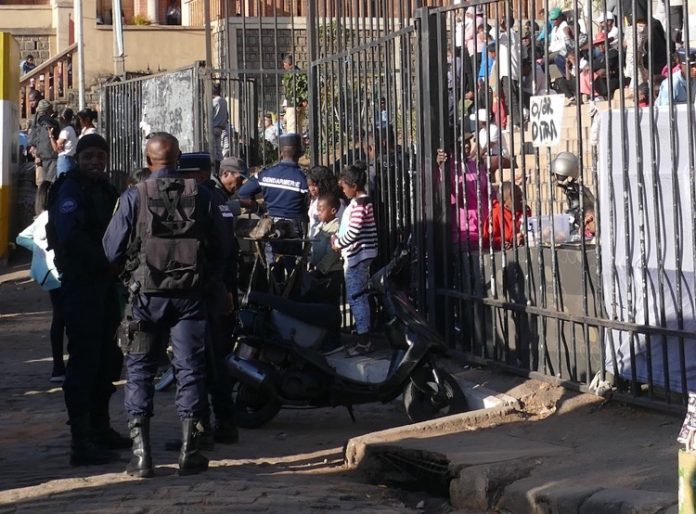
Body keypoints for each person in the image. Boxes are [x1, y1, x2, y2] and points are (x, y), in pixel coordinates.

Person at [103, 133, 227, 478]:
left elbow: (110, 250)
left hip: (145, 297)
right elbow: (222, 245)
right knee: (191, 370)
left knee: (140, 370)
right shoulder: (201, 195)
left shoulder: (133, 196)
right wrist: (207, 279)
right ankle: (191, 452)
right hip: (190, 297)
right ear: (180, 158)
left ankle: (142, 456)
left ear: (147, 160)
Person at [46, 134, 129, 466]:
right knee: (83, 360)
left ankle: (100, 426)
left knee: (108, 358)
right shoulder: (70, 190)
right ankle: (81, 441)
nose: (95, 161)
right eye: (89, 156)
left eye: (101, 156)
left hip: (106, 284)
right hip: (82, 284)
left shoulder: (106, 189)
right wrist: (104, 261)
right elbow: (71, 237)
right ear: (77, 158)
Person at [237, 133, 309, 278]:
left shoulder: (265, 174)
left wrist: (260, 210)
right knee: (294, 271)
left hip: (269, 227)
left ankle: (273, 295)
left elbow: (243, 194)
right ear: (300, 153)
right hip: (293, 230)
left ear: (280, 152)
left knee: (271, 268)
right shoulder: (303, 178)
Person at [16, 181, 65, 383]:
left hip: (49, 276)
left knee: (59, 320)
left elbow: (21, 238)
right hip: (62, 274)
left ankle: (58, 367)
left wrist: (39, 252)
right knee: (70, 321)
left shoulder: (40, 219)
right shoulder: (55, 216)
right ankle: (63, 366)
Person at [331, 162, 378, 357]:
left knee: (356, 298)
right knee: (360, 296)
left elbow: (353, 232)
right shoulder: (362, 202)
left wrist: (338, 243)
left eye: (344, 186)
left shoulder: (359, 204)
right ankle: (363, 331)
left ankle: (364, 340)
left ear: (354, 186)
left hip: (357, 256)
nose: (342, 190)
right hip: (361, 255)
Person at [307, 193, 344, 306]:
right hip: (320, 271)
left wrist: (320, 269)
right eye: (317, 210)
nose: (318, 213)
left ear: (333, 211)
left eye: (321, 210)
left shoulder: (336, 228)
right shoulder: (321, 226)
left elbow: (334, 253)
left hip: (331, 272)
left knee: (331, 301)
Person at [482, 181, 530, 250]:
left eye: (521, 196)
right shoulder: (495, 214)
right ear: (504, 203)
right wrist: (506, 241)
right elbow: (487, 240)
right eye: (517, 197)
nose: (521, 199)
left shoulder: (525, 210)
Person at [306, 165, 344, 239]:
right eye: (309, 185)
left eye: (314, 185)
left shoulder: (335, 202)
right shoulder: (314, 199)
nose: (311, 189)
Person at [29, 99, 59, 185]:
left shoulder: (52, 121)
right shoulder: (41, 121)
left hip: (50, 158)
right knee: (42, 186)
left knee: (49, 185)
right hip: (43, 158)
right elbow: (36, 136)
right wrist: (36, 153)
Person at [281, 55, 308, 135]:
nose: (284, 67)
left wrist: (286, 103)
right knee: (298, 127)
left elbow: (290, 92)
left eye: (284, 64)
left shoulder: (290, 74)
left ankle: (293, 146)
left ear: (286, 64)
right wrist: (304, 100)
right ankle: (300, 146)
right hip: (301, 104)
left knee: (291, 128)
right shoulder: (300, 72)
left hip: (293, 105)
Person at [50, 108, 78, 176]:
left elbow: (56, 148)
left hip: (65, 159)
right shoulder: (73, 129)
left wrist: (51, 136)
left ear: (63, 117)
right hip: (71, 159)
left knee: (62, 181)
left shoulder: (66, 131)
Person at [547, 8, 572, 76]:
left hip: (563, 50)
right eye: (552, 19)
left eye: (555, 19)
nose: (553, 21)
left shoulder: (564, 26)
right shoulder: (554, 29)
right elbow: (552, 44)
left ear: (560, 18)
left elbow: (565, 44)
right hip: (554, 51)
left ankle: (565, 76)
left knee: (545, 60)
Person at [212, 83, 229, 162]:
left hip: (213, 126)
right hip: (221, 127)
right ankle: (221, 163)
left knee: (214, 148)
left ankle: (216, 165)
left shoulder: (214, 101)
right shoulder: (224, 101)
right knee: (219, 148)